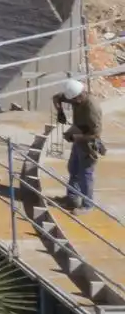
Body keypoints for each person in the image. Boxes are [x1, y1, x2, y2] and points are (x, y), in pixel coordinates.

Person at [54, 78, 104, 214]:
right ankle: (72, 199)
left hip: (88, 143)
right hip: (79, 137)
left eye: (76, 100)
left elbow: (96, 134)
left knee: (85, 174)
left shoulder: (92, 107)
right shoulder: (75, 96)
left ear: (81, 95)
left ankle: (88, 205)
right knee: (73, 169)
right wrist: (60, 112)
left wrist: (75, 137)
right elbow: (56, 97)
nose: (74, 103)